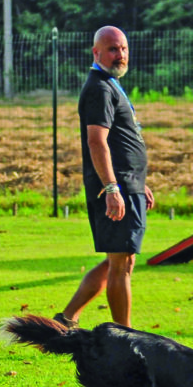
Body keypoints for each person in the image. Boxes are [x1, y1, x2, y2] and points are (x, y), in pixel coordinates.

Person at [56, 25, 154, 329]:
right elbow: (96, 141)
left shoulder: (110, 84)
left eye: (123, 48)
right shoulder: (99, 88)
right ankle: (124, 335)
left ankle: (67, 318)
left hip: (128, 184)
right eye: (113, 49)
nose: (120, 55)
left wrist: (140, 182)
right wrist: (112, 187)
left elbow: (122, 142)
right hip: (116, 188)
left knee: (121, 260)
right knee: (121, 263)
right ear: (96, 52)